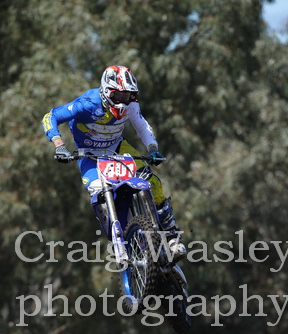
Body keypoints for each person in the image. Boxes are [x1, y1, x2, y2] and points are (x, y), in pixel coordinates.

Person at [41, 64, 186, 261]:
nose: (123, 101)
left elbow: (141, 125)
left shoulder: (131, 105)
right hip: (89, 155)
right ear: (106, 91)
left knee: (151, 180)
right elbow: (51, 116)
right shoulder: (88, 103)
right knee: (98, 191)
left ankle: (172, 237)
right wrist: (59, 145)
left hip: (118, 148)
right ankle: (119, 237)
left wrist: (153, 148)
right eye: (118, 96)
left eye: (128, 96)